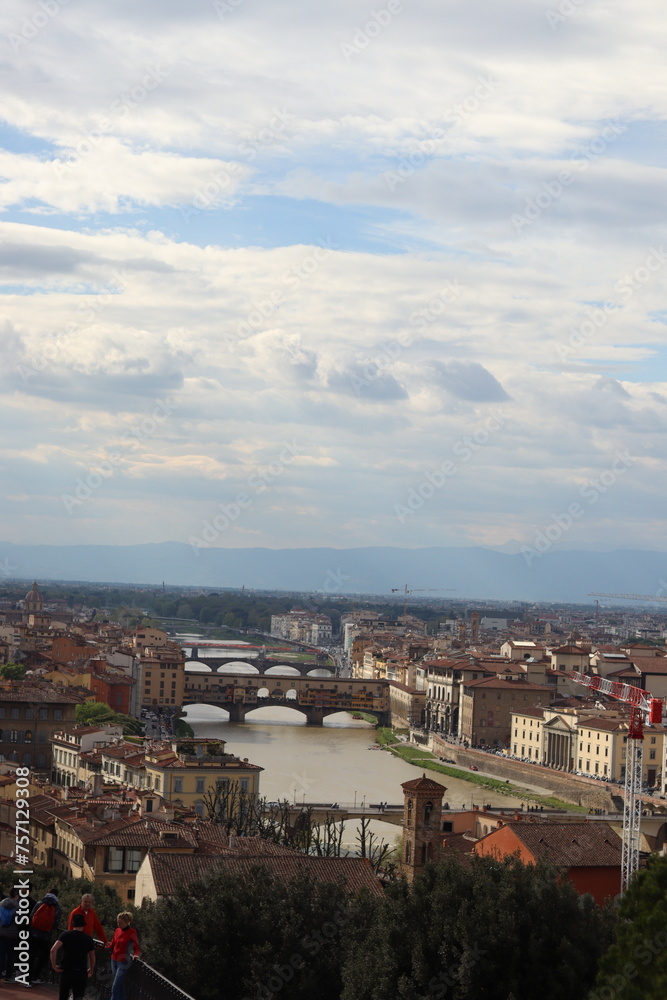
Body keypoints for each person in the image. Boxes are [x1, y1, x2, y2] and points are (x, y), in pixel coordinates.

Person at [50, 912, 95, 1000]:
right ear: (83, 925)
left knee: (63, 996)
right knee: (78, 996)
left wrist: (54, 965)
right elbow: (92, 957)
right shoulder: (88, 939)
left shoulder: (65, 935)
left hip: (66, 970)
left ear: (73, 924)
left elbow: (53, 950)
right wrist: (91, 969)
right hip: (81, 972)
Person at [30, 889, 62, 985]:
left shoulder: (40, 903)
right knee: (43, 956)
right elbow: (55, 924)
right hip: (46, 936)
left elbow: (31, 916)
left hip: (34, 934)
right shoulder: (57, 908)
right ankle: (36, 976)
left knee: (31, 955)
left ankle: (27, 976)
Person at [107, 912, 140, 1000]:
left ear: (127, 922)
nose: (118, 924)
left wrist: (136, 955)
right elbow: (112, 944)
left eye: (120, 923)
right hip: (113, 959)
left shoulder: (132, 932)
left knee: (115, 985)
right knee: (119, 985)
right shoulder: (117, 930)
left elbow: (137, 947)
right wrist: (105, 947)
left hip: (123, 962)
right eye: (118, 922)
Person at [0, 888, 20, 982]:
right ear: (17, 896)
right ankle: (8, 976)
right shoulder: (18, 907)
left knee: (1, 954)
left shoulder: (2, 904)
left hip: (1, 932)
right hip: (12, 934)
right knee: (10, 955)